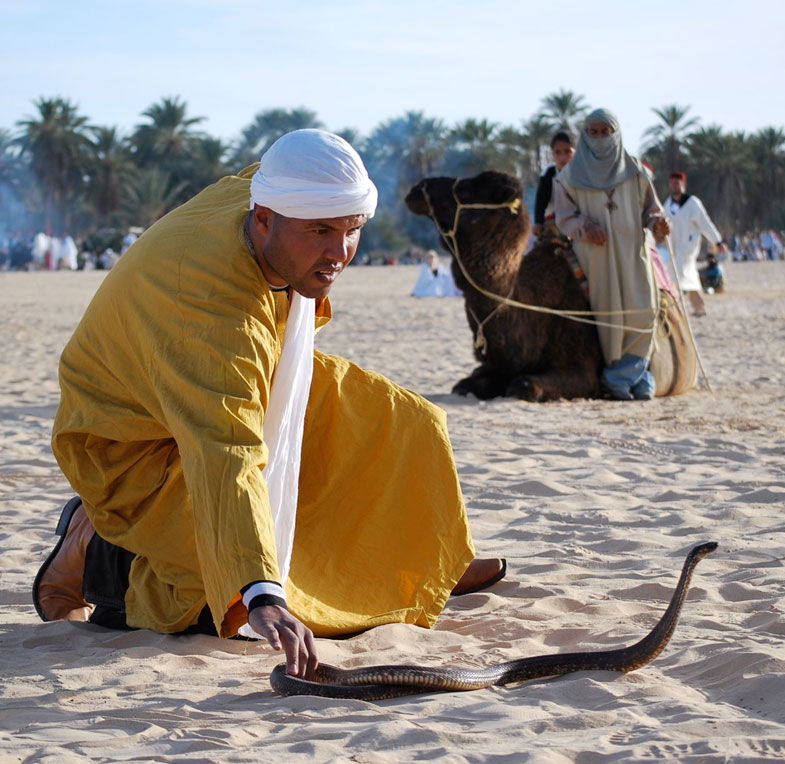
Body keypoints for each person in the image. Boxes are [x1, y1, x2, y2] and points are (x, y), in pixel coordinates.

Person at [33, 129, 504, 679]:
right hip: (130, 443)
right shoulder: (209, 313)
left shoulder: (275, 187)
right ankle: (93, 549)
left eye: (352, 231)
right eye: (321, 232)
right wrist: (260, 592)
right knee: (216, 602)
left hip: (239, 372)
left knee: (404, 420)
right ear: (262, 220)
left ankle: (430, 558)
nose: (339, 253)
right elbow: (226, 451)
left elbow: (300, 165)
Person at [553, 108, 671, 401]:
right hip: (596, 257)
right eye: (593, 132)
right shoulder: (568, 178)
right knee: (609, 317)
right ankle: (630, 376)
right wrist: (583, 225)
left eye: (605, 131)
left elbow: (652, 210)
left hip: (634, 254)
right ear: (584, 135)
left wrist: (658, 223)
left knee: (644, 310)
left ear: (616, 133)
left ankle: (622, 377)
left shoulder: (637, 173)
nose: (600, 137)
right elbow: (564, 217)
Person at [663, 171, 727, 316]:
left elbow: (705, 223)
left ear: (683, 184)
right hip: (672, 251)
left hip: (687, 250)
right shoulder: (668, 203)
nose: (674, 185)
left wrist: (717, 241)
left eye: (677, 182)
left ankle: (681, 310)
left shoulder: (693, 203)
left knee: (682, 279)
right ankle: (696, 309)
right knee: (686, 280)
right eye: (672, 182)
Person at [533, 131, 576, 239]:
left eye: (567, 151)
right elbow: (541, 201)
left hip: (577, 223)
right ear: (552, 153)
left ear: (575, 152)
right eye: (558, 152)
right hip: (553, 223)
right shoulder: (549, 173)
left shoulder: (581, 174)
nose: (563, 156)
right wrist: (539, 222)